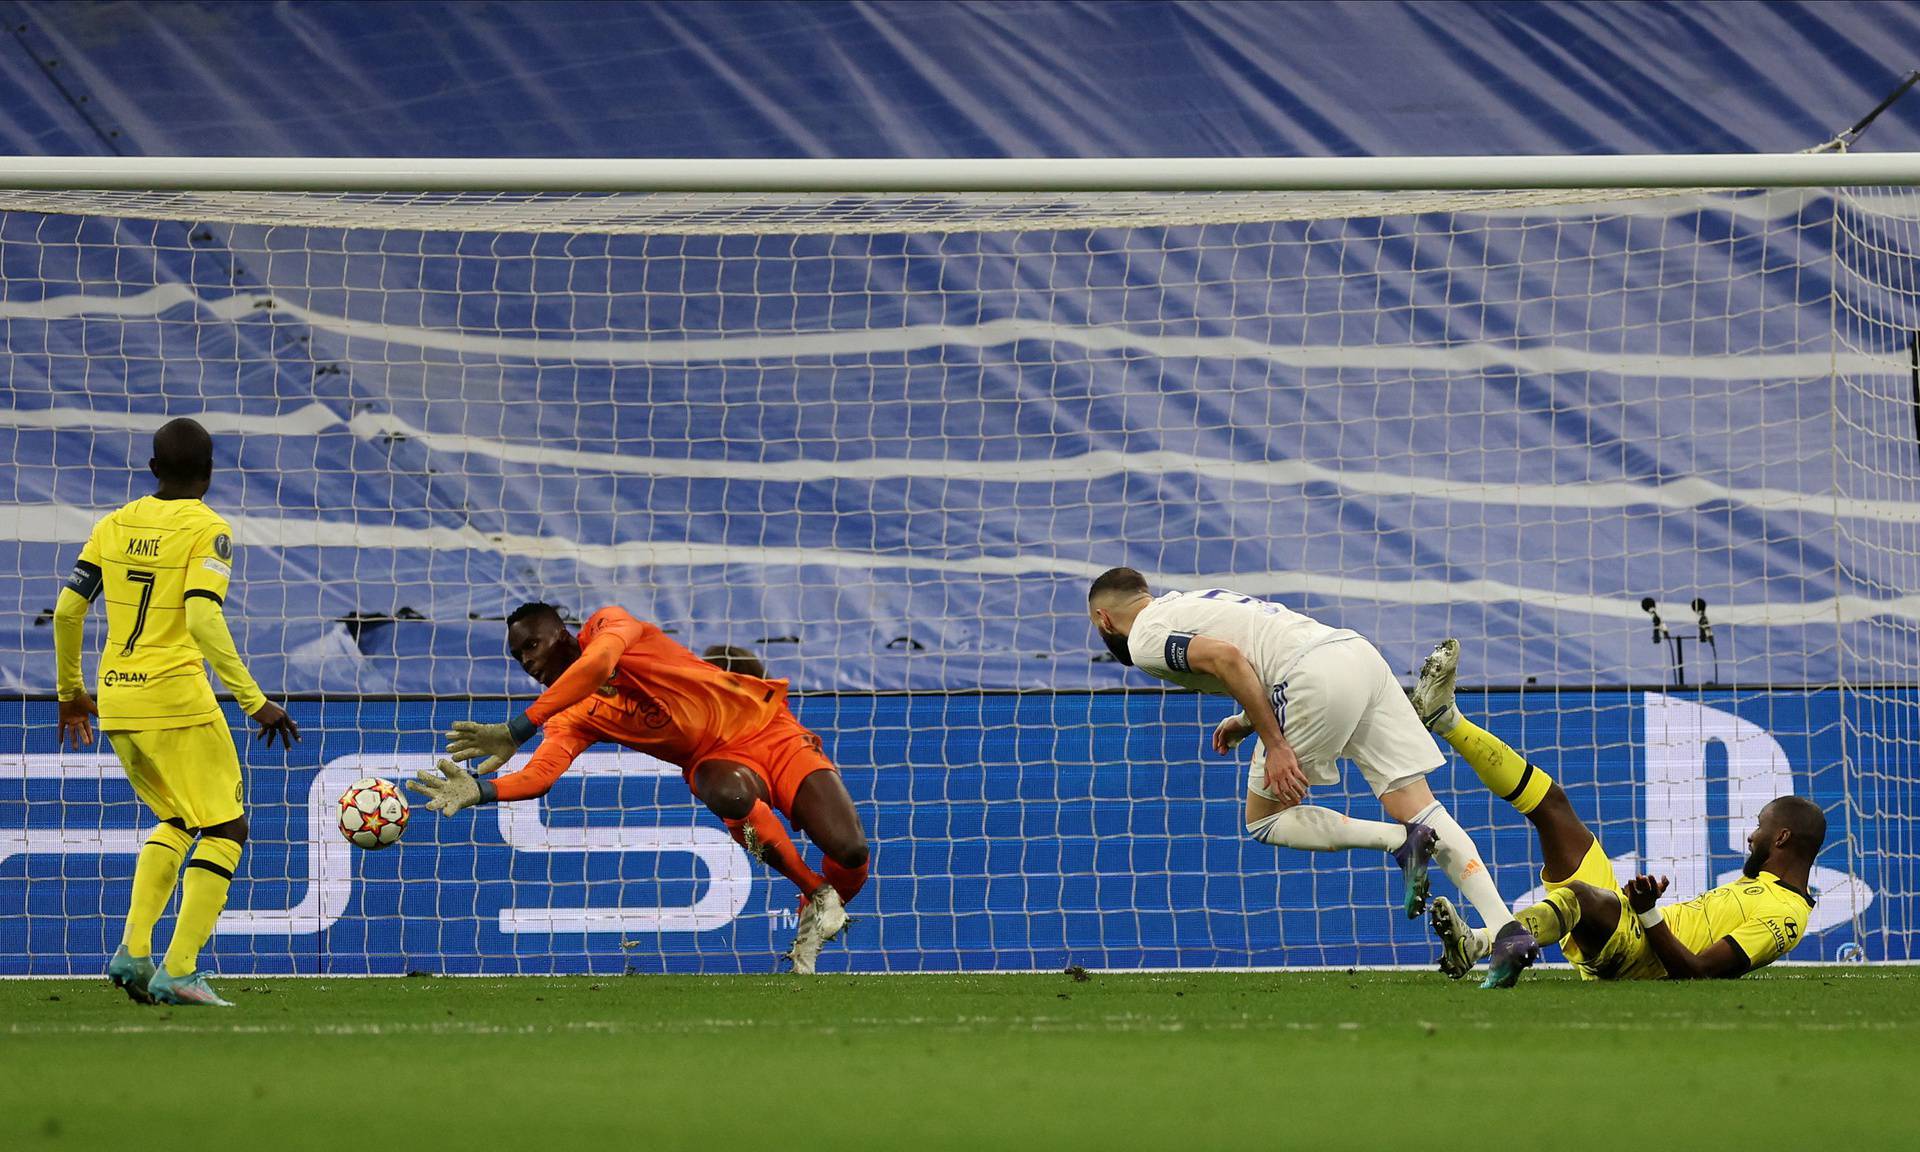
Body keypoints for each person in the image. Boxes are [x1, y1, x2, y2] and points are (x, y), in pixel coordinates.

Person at [409, 604, 869, 973]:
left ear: (565, 636)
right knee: (724, 791)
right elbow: (541, 775)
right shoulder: (571, 716)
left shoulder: (611, 625)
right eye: (518, 656)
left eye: (532, 645)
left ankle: (819, 906)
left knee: (849, 851)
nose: (527, 661)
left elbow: (598, 665)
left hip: (771, 732)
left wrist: (517, 728)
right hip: (717, 763)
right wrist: (483, 790)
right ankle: (814, 890)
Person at [1087, 568, 1515, 940]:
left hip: (1311, 675)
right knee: (1420, 806)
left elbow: (1228, 659)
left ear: (1103, 619)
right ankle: (1505, 931)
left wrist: (1274, 744)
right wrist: (1244, 722)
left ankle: (1401, 842)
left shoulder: (1144, 637)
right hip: (1355, 655)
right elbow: (1257, 650)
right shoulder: (1185, 603)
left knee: (1265, 820)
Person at [52, 417, 300, 1007]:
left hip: (116, 698)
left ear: (153, 469)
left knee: (179, 820)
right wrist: (253, 699)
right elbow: (200, 618)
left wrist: (71, 694)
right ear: (210, 475)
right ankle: (181, 969)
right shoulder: (207, 528)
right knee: (227, 826)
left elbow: (66, 611)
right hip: (175, 698)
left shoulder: (112, 526)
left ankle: (133, 952)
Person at [1411, 638, 1824, 986]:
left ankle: (1501, 941)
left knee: (1582, 898)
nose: (1751, 836)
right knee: (1550, 805)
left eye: (1759, 827)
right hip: (1632, 924)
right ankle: (1446, 719)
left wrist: (1647, 911)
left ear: (1783, 838)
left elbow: (1697, 972)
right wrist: (1644, 907)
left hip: (1639, 951)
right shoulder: (1766, 888)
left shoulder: (1784, 916)